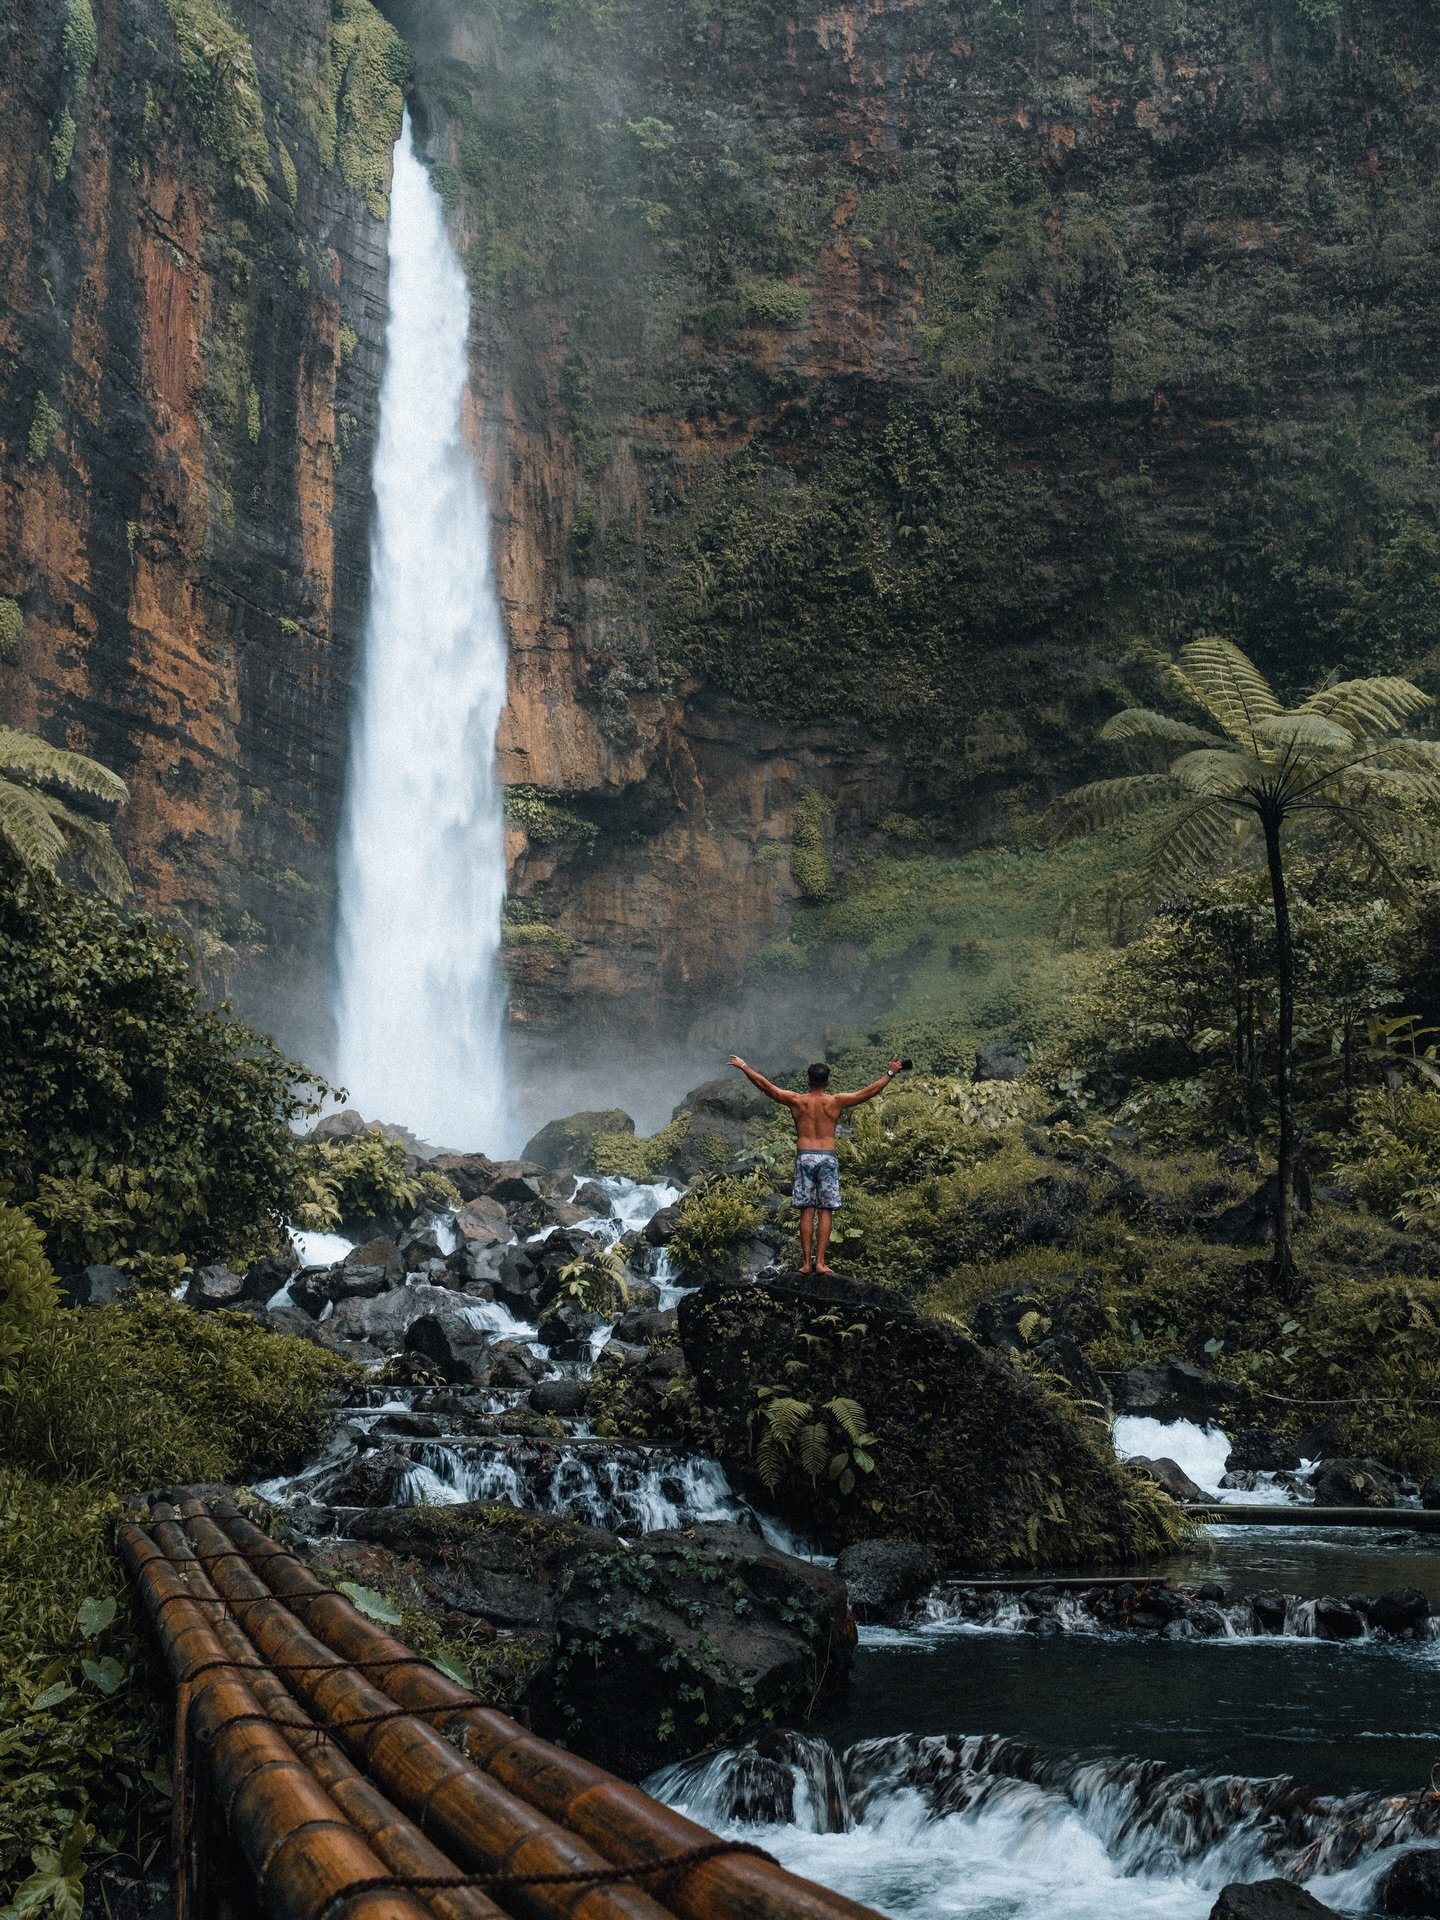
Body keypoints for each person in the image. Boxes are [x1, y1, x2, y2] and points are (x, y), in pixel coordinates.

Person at [729, 1055, 905, 1275]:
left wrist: (744, 1066)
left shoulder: (797, 1100)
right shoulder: (835, 1101)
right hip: (827, 1157)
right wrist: (890, 1073)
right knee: (825, 1211)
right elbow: (867, 1093)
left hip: (805, 1157)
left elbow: (767, 1087)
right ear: (828, 1082)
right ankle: (820, 1263)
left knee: (807, 1211)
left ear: (808, 1081)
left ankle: (805, 1263)